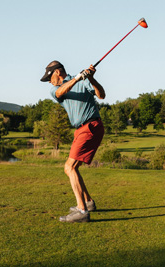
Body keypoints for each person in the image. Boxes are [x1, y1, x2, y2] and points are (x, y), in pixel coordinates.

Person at [40, 60, 106, 223]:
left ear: (56, 72)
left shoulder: (83, 81)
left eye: (49, 78)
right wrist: (77, 78)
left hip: (90, 126)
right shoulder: (56, 89)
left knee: (69, 167)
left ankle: (82, 210)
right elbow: (60, 92)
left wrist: (90, 78)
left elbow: (101, 95)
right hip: (81, 129)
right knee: (72, 167)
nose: (49, 82)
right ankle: (88, 203)